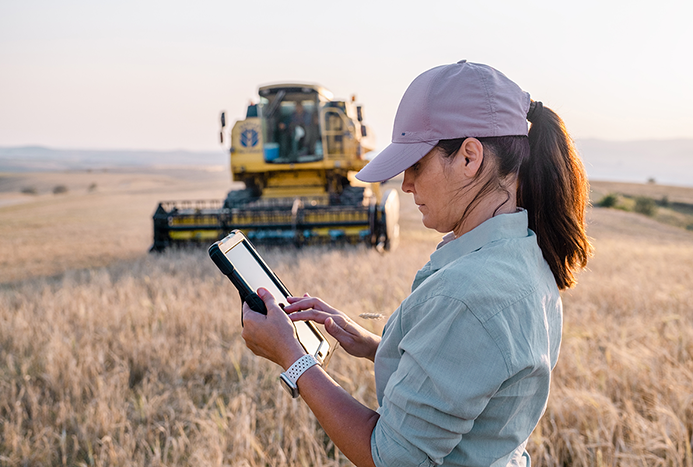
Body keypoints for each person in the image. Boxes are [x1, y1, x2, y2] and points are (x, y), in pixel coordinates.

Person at [241, 60, 592, 466]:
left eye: (416, 165)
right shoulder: (525, 254)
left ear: (469, 157)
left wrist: (292, 358)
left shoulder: (466, 295)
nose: (405, 184)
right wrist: (376, 345)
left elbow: (390, 457)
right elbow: (472, 376)